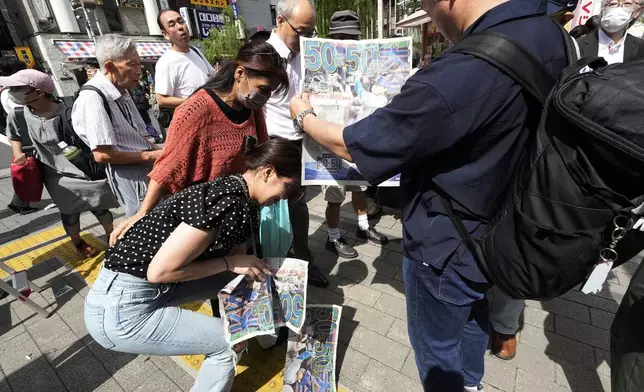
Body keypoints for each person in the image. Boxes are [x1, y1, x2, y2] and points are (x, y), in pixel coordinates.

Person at [290, 0, 568, 391]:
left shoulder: (465, 69)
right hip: (506, 226)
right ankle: (472, 383)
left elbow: (357, 146)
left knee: (438, 350)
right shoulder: (552, 33)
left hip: (447, 242)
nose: (433, 20)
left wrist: (304, 116)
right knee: (474, 317)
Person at [84, 138, 300, 392]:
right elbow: (160, 272)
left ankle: (262, 331)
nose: (285, 198)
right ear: (268, 172)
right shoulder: (226, 200)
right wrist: (230, 262)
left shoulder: (242, 196)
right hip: (122, 311)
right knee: (227, 343)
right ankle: (233, 341)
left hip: (141, 290)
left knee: (239, 280)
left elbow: (237, 261)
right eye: (287, 187)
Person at [108, 41, 288, 247]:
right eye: (262, 89)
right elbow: (168, 166)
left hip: (237, 211)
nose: (264, 97)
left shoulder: (252, 109)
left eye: (269, 92)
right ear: (240, 73)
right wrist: (143, 212)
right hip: (203, 216)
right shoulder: (197, 109)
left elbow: (260, 152)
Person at [2, 69, 118, 257]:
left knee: (100, 207)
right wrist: (17, 153)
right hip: (55, 175)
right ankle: (78, 242)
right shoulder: (18, 115)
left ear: (38, 92)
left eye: (17, 88)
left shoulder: (69, 112)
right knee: (70, 213)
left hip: (84, 170)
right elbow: (14, 135)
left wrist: (103, 170)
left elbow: (91, 141)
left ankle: (112, 236)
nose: (11, 92)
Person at [264, 0, 329, 288]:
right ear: (280, 21)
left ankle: (303, 261)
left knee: (298, 205)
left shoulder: (307, 53)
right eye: (301, 31)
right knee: (271, 206)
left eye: (311, 33)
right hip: (274, 142)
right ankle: (272, 266)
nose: (305, 39)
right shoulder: (261, 56)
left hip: (304, 139)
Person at [321, 10, 388, 260]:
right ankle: (333, 237)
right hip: (333, 138)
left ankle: (363, 227)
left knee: (360, 186)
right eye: (343, 37)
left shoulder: (362, 68)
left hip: (358, 136)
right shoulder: (326, 68)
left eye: (353, 38)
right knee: (335, 194)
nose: (349, 42)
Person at [72, 34, 163, 218]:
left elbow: (140, 134)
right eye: (132, 64)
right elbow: (102, 154)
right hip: (131, 176)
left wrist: (161, 153)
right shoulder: (93, 98)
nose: (139, 70)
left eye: (139, 63)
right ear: (109, 66)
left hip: (146, 167)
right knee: (147, 223)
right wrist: (151, 154)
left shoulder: (123, 90)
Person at [154, 9, 214, 131]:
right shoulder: (166, 62)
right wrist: (194, 102)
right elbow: (161, 99)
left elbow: (213, 76)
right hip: (191, 126)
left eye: (181, 21)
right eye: (172, 24)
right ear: (165, 34)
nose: (180, 27)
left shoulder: (196, 51)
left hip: (210, 120)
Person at [0, 56, 38, 215]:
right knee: (27, 170)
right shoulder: (10, 92)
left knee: (27, 170)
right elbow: (23, 113)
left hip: (20, 134)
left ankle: (18, 202)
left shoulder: (7, 89)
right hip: (24, 136)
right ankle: (20, 203)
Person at [577, 0, 644, 63]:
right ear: (603, 8)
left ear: (638, 11)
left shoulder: (641, 49)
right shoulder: (577, 45)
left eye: (627, 3)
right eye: (613, 3)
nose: (618, 9)